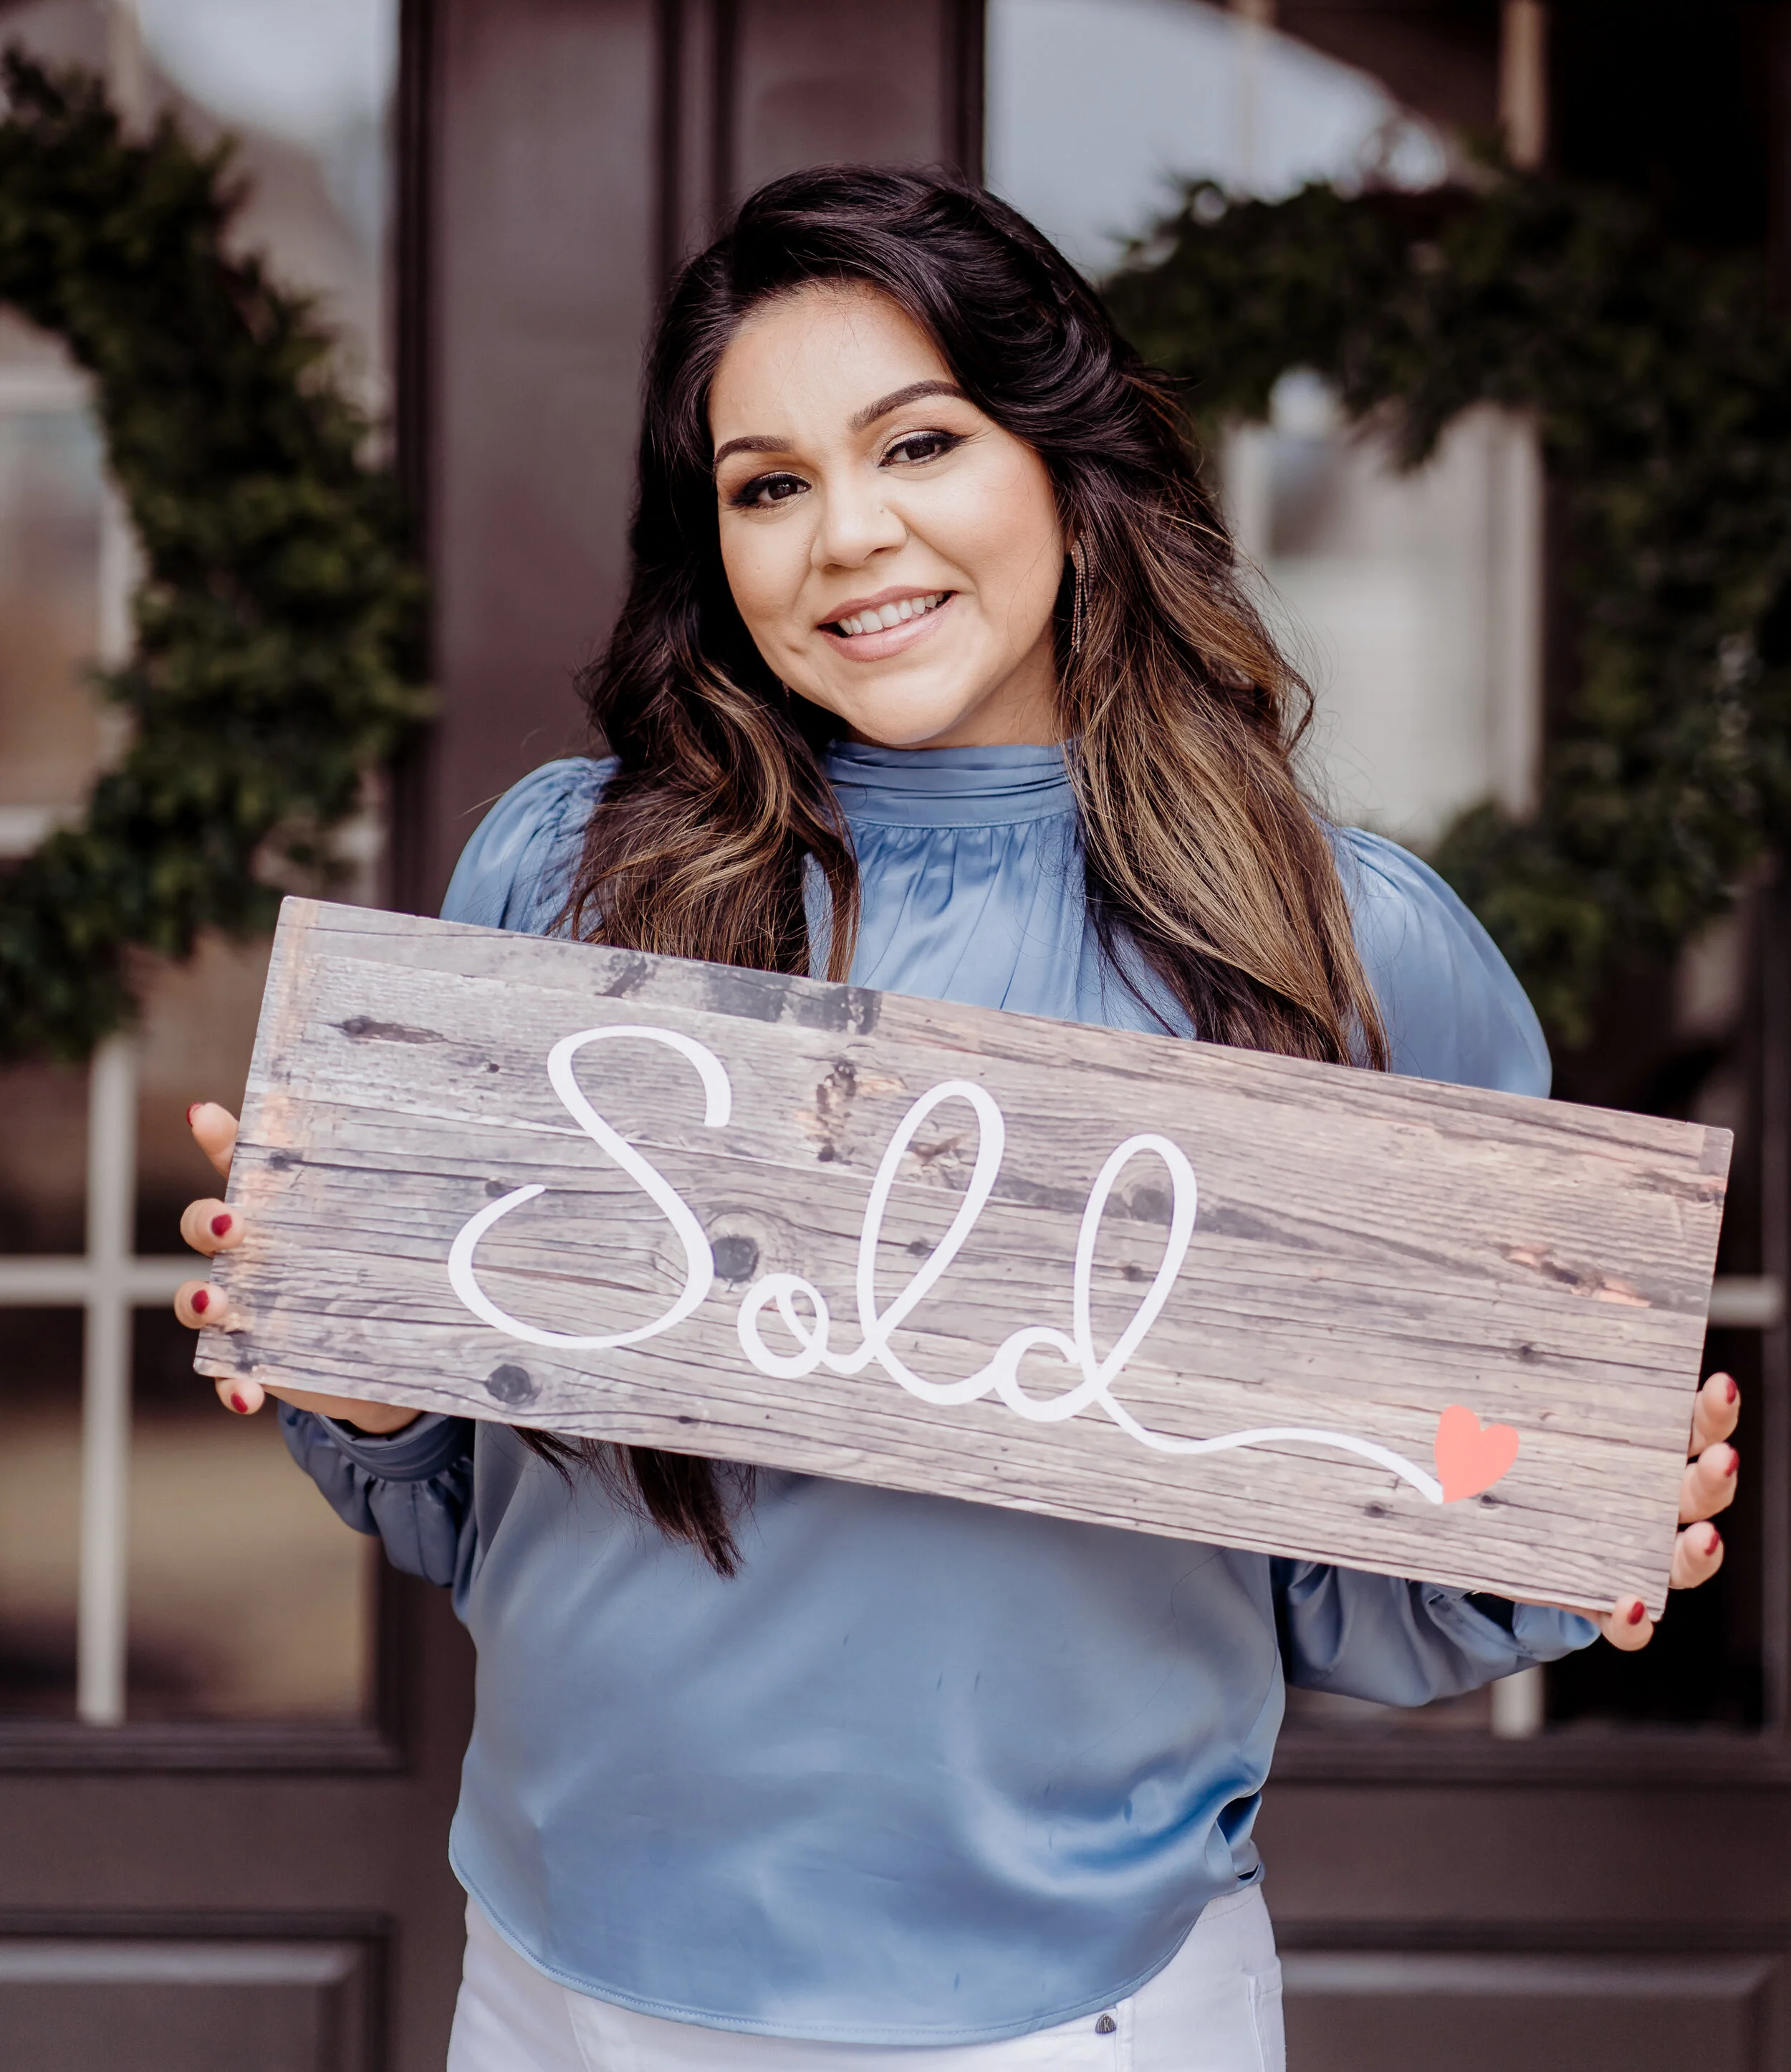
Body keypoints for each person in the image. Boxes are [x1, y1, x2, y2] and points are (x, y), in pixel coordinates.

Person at [174, 168, 1739, 2072]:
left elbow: (1362, 1591)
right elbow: (457, 1509)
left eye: (917, 440)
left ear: (1068, 462)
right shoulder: (566, 867)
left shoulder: (1342, 944)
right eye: (767, 483)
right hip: (559, 1977)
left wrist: (1557, 1519)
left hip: (1072, 2014)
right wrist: (359, 1374)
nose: (848, 536)